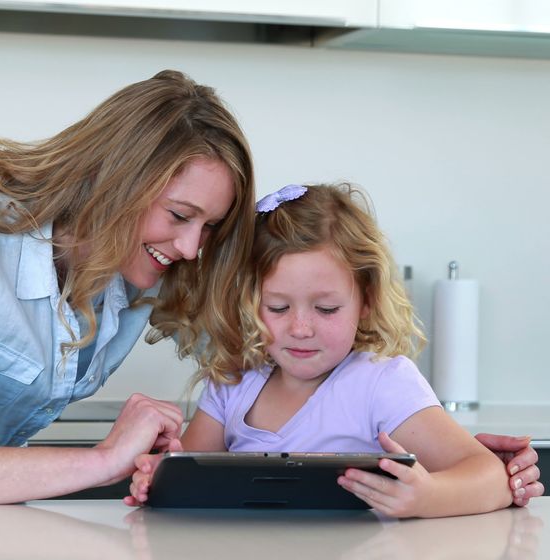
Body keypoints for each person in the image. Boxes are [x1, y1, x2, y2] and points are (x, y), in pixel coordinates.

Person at [0, 70, 542, 505]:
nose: (190, 249)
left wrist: (463, 459)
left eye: (209, 229)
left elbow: (283, 314)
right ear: (114, 179)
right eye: (179, 216)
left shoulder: (145, 264)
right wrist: (101, 460)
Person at [125, 183, 541, 517]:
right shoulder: (234, 380)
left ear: (367, 301)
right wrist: (156, 477)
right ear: (248, 303)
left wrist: (427, 498)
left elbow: (487, 474)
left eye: (326, 308)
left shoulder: (382, 382)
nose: (301, 328)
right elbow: (186, 475)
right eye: (278, 307)